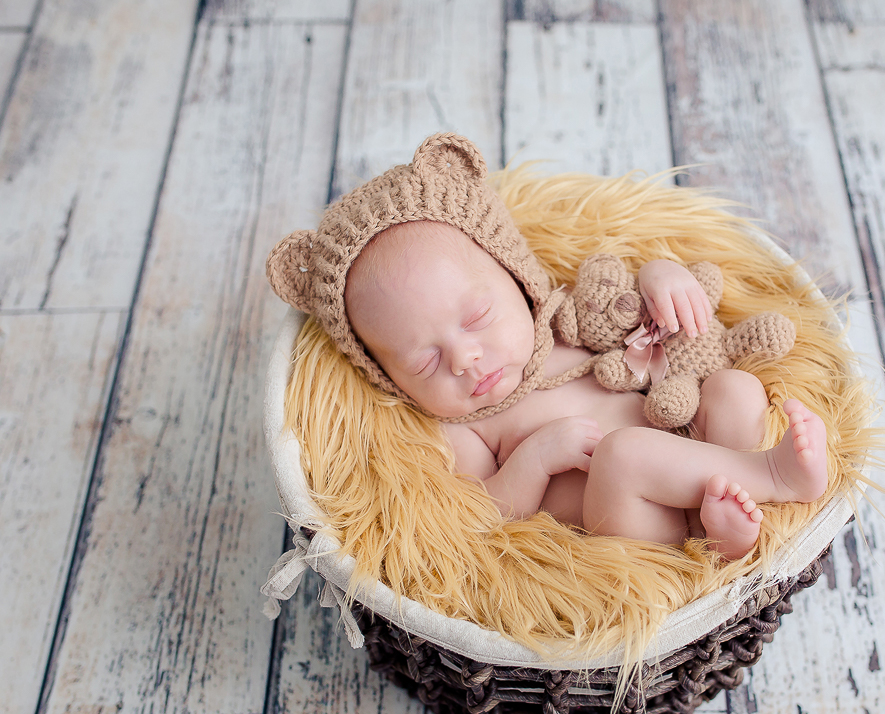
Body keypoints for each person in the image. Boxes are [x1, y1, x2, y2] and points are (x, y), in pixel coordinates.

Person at [267, 133, 828, 560]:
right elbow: (483, 514)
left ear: (518, 279)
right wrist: (534, 458)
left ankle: (724, 528)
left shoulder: (560, 323)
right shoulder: (463, 428)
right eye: (425, 361)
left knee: (735, 387)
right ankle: (772, 480)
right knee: (624, 453)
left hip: (687, 434)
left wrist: (660, 276)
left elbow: (626, 304)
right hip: (634, 515)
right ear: (387, 377)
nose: (465, 359)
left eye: (478, 318)